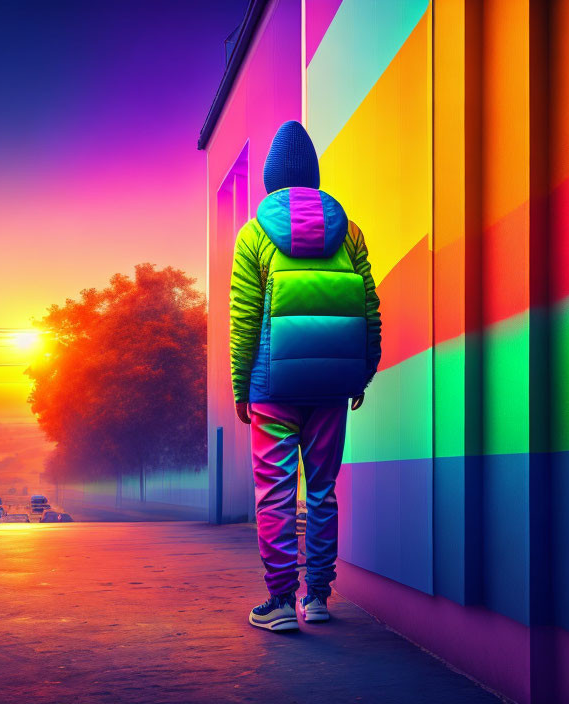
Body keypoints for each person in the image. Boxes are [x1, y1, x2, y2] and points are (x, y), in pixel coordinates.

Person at [229, 120, 382, 631]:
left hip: (272, 386)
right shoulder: (351, 231)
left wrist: (239, 383)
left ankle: (279, 603)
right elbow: (368, 305)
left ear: (271, 180)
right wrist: (362, 372)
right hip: (332, 384)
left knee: (274, 491)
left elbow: (244, 315)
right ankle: (317, 597)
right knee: (321, 489)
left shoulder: (253, 235)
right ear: (313, 179)